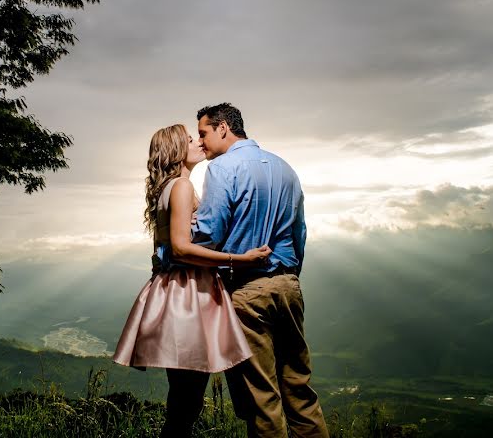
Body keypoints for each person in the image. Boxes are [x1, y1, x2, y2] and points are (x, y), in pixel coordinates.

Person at [112, 123, 272, 438]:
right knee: (187, 400)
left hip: (175, 289)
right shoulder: (182, 188)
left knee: (185, 399)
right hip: (187, 293)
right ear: (176, 150)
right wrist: (240, 259)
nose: (198, 141)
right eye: (190, 139)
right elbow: (182, 248)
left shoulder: (169, 188)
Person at [193, 103, 330, 438]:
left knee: (262, 399)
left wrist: (179, 238)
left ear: (223, 127)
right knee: (300, 391)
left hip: (247, 292)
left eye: (203, 133)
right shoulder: (286, 169)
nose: (201, 142)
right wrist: (289, 273)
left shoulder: (223, 168)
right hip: (288, 286)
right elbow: (300, 232)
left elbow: (210, 234)